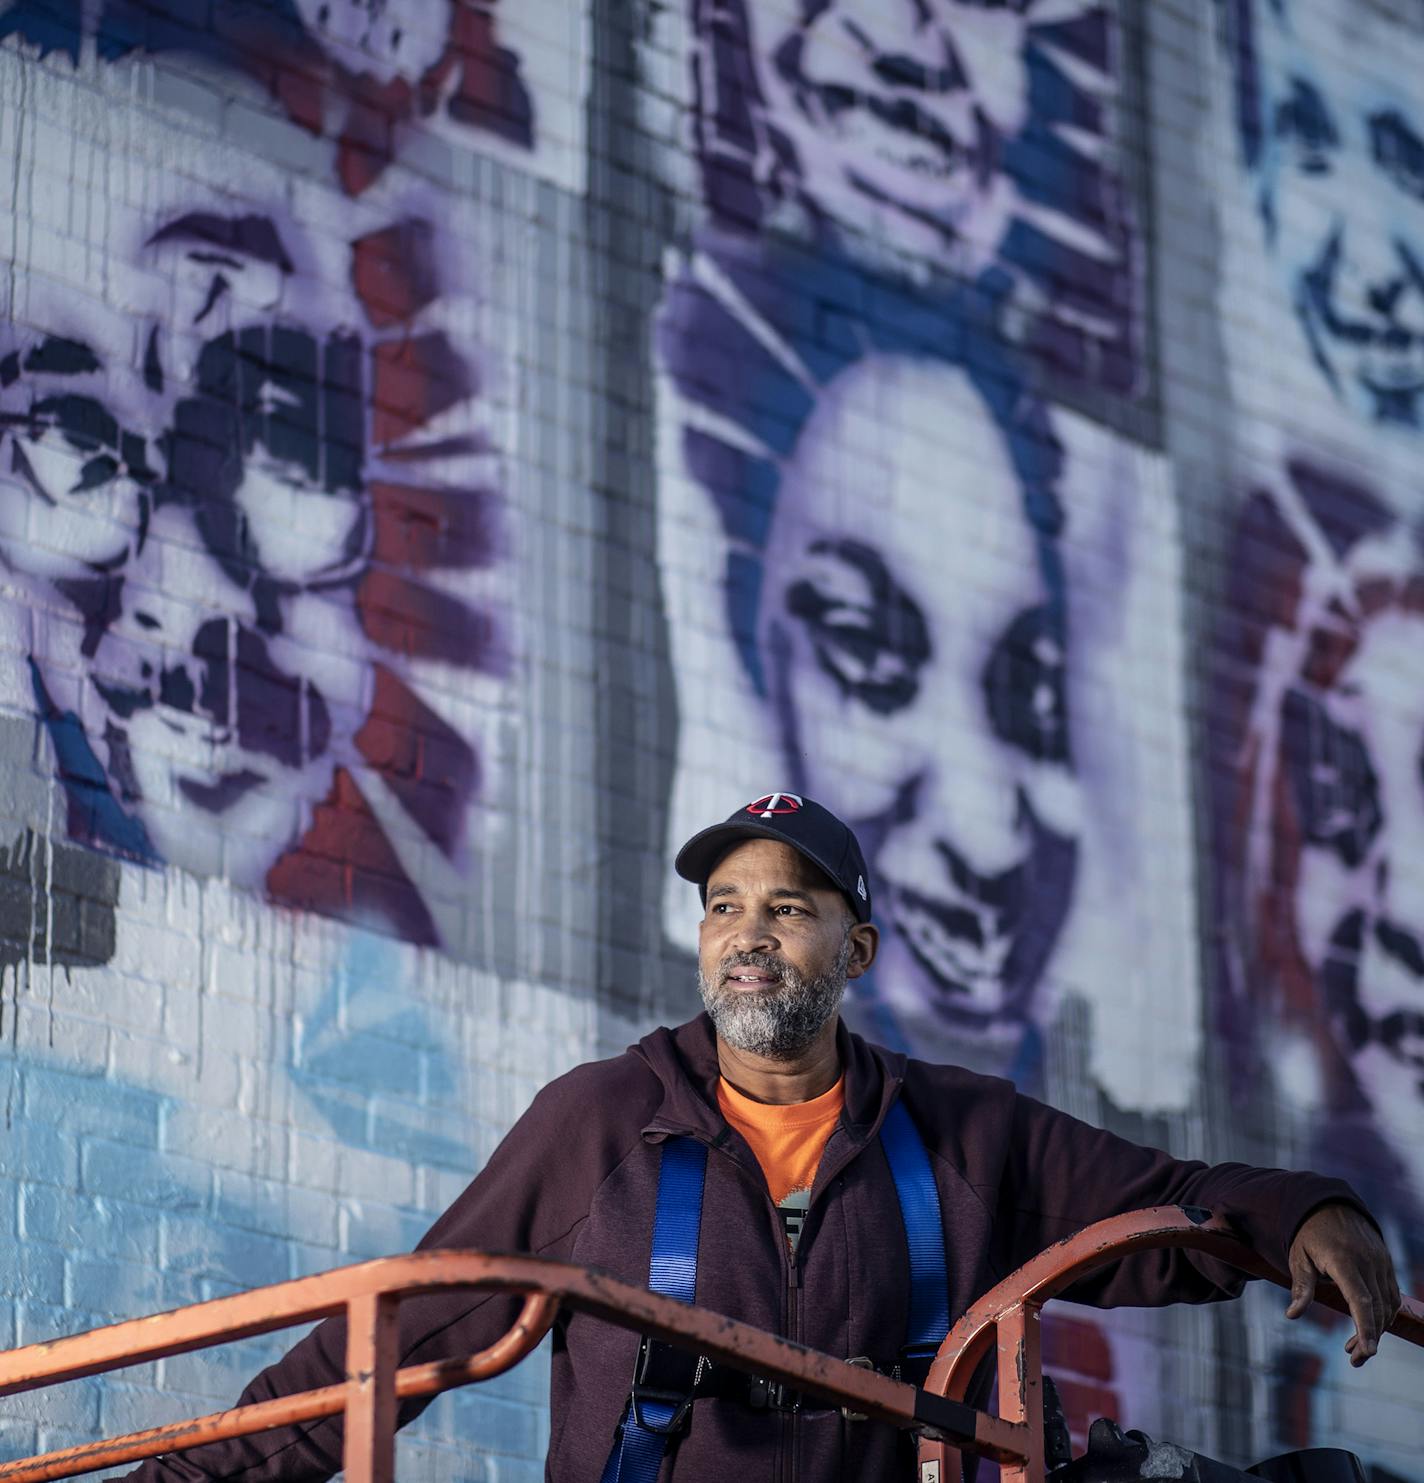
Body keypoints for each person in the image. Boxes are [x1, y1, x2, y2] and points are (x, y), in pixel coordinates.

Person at [120, 793, 1400, 1483]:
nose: (746, 933)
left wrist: (1303, 1210)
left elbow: (1168, 1202)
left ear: (853, 951)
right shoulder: (601, 1123)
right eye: (723, 905)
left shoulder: (961, 1129)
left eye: (787, 908)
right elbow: (394, 1337)